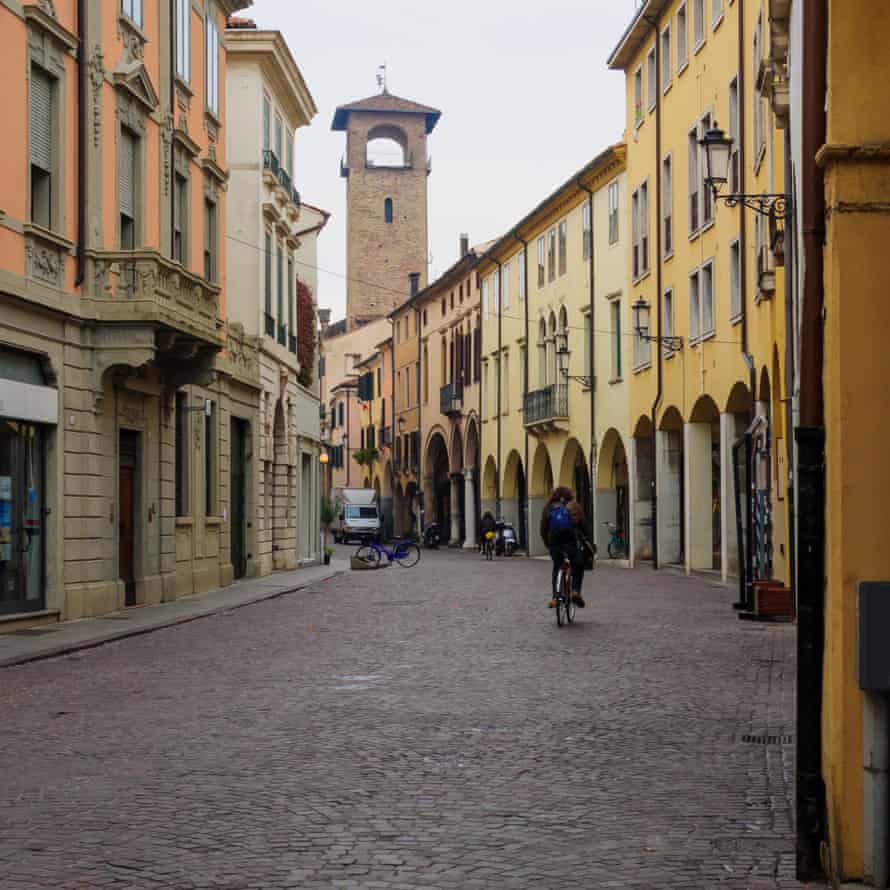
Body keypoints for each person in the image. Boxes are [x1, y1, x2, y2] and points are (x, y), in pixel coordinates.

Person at [539, 487, 590, 609]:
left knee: (557, 567)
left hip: (555, 544)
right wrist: (586, 540)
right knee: (577, 565)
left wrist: (547, 543)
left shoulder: (549, 508)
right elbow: (583, 526)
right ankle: (575, 591)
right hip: (570, 543)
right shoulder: (574, 506)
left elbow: (543, 528)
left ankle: (555, 598)